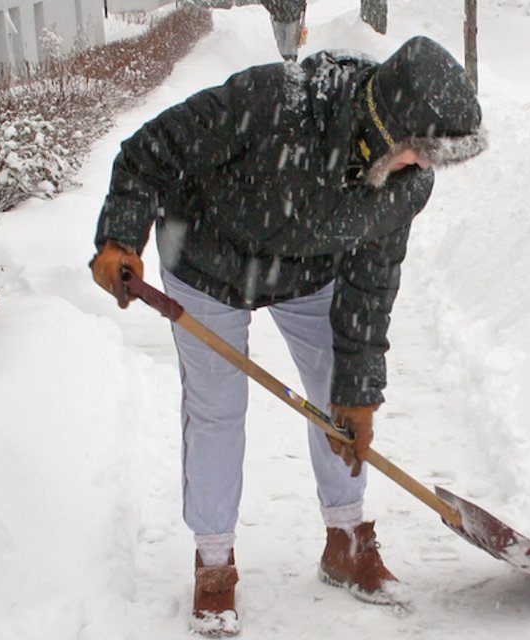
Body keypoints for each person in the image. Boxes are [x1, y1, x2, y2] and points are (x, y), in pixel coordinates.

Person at [89, 36, 485, 636]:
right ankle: (215, 561)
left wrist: (359, 390)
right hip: (206, 260)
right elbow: (149, 151)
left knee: (337, 399)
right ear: (386, 125)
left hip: (307, 272)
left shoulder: (405, 183)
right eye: (419, 152)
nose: (424, 167)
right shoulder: (276, 103)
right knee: (217, 409)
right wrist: (120, 236)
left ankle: (346, 539)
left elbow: (371, 283)